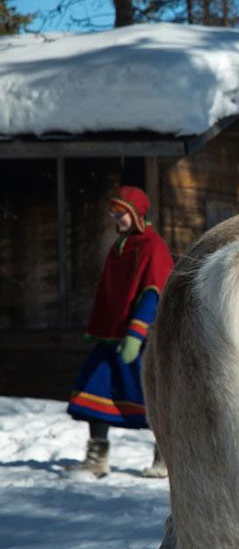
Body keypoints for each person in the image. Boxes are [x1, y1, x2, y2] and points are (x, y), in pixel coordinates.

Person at [66, 186, 173, 478]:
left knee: (152, 399)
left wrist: (136, 333)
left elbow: (154, 292)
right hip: (111, 339)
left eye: (121, 212)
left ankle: (165, 458)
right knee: (93, 390)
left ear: (136, 212)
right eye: (113, 212)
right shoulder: (121, 246)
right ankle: (97, 458)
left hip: (140, 341)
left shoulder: (153, 246)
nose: (116, 217)